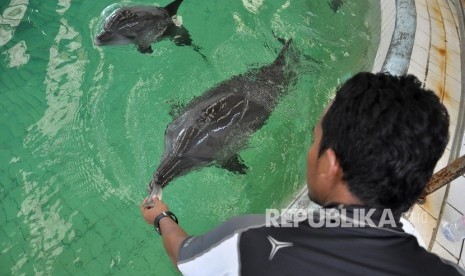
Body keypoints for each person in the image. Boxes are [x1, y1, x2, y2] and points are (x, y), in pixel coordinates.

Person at [140, 72, 465, 275]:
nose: (311, 152)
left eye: (315, 140)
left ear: (332, 165)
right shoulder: (441, 264)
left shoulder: (252, 238)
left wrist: (162, 218)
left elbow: (184, 256)